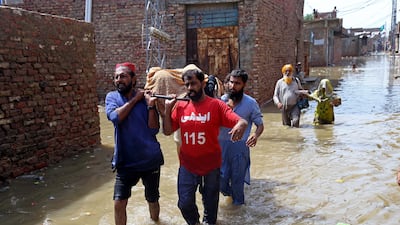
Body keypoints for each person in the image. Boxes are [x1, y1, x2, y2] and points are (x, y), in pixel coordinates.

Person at [162, 68, 248, 225]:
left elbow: (239, 120)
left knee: (210, 208)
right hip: (187, 165)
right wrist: (168, 109)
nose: (189, 88)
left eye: (193, 84)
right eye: (186, 85)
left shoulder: (216, 105)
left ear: (202, 83)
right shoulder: (181, 106)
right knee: (184, 203)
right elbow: (167, 131)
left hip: (211, 166)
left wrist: (242, 124)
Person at [105, 62, 164, 225]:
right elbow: (116, 118)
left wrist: (151, 105)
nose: (119, 80)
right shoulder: (112, 97)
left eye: (123, 76)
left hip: (149, 160)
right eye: (116, 77)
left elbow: (154, 129)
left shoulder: (146, 99)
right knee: (118, 203)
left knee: (152, 199)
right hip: (126, 162)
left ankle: (156, 221)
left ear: (133, 79)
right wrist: (135, 99)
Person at [218, 69, 264, 206]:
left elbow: (260, 125)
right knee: (220, 182)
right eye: (231, 82)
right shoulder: (220, 102)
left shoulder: (251, 103)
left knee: (238, 183)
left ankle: (239, 212)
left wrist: (255, 135)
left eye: (237, 83)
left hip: (240, 149)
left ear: (244, 85)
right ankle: (229, 195)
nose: (233, 86)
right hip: (220, 149)